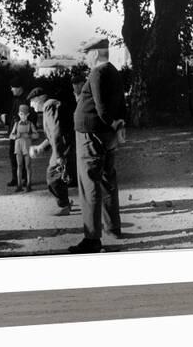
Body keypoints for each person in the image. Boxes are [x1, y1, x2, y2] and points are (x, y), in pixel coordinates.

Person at [69, 37, 126, 254]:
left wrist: (111, 122)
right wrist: (119, 125)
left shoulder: (96, 73)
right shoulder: (114, 71)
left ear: (94, 54)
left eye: (86, 54)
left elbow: (102, 108)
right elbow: (121, 104)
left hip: (91, 134)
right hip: (107, 134)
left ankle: (92, 239)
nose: (86, 58)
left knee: (89, 183)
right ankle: (113, 227)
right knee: (107, 179)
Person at [28, 87, 73, 215]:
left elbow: (56, 131)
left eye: (32, 101)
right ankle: (65, 203)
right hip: (64, 146)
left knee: (52, 176)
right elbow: (52, 135)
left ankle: (64, 205)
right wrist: (41, 147)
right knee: (58, 176)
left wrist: (59, 155)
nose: (31, 105)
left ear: (40, 98)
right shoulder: (51, 105)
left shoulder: (49, 106)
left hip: (64, 147)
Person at [5, 76, 37, 187]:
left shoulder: (27, 99)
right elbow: (12, 116)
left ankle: (24, 179)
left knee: (24, 156)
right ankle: (16, 178)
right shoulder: (15, 99)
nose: (11, 89)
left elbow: (33, 116)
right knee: (13, 155)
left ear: (19, 88)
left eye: (13, 87)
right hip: (14, 134)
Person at [9, 104, 39, 192]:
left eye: (25, 114)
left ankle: (29, 185)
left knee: (28, 166)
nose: (23, 116)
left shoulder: (30, 124)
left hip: (27, 146)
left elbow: (36, 135)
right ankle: (19, 185)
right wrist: (16, 136)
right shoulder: (16, 124)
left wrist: (29, 135)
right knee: (19, 165)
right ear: (19, 114)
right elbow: (11, 135)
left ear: (28, 115)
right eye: (21, 114)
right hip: (18, 147)